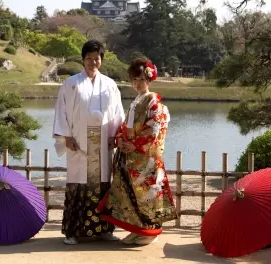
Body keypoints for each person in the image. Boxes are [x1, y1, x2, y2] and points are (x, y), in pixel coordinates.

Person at [96, 56, 178, 245]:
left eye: (142, 79)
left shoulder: (154, 104)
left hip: (145, 159)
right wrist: (120, 140)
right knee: (131, 194)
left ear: (149, 80)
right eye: (134, 80)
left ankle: (150, 231)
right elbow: (125, 127)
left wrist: (136, 144)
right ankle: (136, 229)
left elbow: (155, 128)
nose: (138, 83)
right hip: (131, 156)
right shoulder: (136, 101)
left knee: (147, 194)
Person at [52, 39, 125, 245]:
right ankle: (73, 232)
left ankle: (104, 230)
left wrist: (114, 136)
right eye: (89, 58)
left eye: (97, 58)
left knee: (102, 184)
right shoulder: (71, 84)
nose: (93, 62)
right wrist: (66, 137)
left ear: (102, 60)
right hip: (79, 142)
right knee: (78, 184)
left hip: (102, 143)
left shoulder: (110, 85)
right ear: (83, 60)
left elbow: (117, 114)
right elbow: (61, 111)